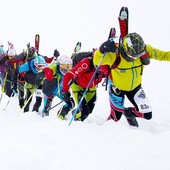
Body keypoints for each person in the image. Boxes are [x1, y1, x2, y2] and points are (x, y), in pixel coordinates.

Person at [93, 32, 170, 127]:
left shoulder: (145, 49)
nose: (136, 58)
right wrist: (101, 51)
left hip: (135, 88)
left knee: (147, 114)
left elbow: (163, 55)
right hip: (117, 88)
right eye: (133, 56)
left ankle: (128, 112)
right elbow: (96, 61)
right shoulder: (114, 55)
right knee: (115, 118)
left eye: (139, 55)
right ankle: (102, 131)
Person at [61, 50, 104, 121]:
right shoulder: (86, 63)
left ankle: (74, 114)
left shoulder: (106, 66)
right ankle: (75, 126)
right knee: (84, 112)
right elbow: (68, 76)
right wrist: (65, 91)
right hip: (78, 87)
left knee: (89, 110)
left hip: (91, 88)